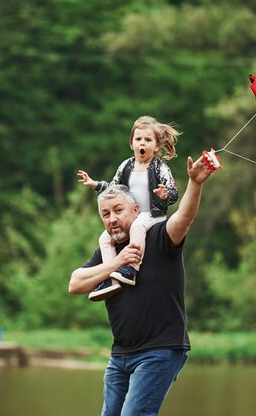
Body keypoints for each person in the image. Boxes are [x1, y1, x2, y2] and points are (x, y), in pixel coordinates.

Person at [68, 153, 215, 416]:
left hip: (159, 350)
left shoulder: (158, 236)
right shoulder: (109, 252)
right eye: (105, 214)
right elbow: (75, 283)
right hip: (120, 356)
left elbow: (184, 218)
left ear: (136, 211)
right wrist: (115, 264)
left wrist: (195, 183)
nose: (112, 219)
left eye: (118, 211)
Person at [77, 116, 180, 301]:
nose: (143, 143)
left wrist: (165, 195)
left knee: (137, 227)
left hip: (153, 214)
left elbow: (173, 191)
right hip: (134, 215)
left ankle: (132, 268)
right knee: (104, 238)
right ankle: (111, 278)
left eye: (148, 140)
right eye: (138, 139)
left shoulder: (159, 167)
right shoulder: (125, 166)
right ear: (131, 143)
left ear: (156, 146)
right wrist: (95, 184)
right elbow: (113, 189)